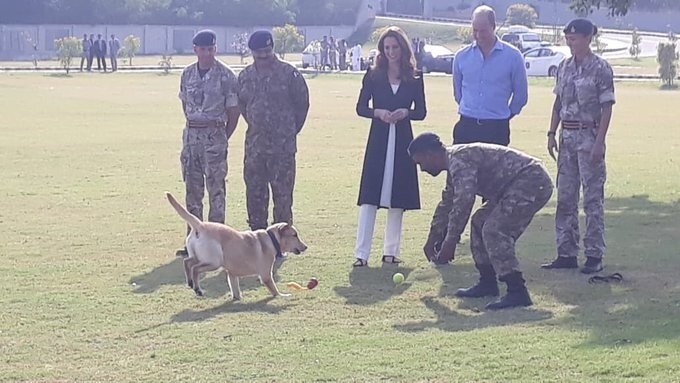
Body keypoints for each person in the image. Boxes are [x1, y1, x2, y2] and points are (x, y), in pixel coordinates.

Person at [408, 133, 553, 309]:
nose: (422, 169)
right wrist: (432, 239)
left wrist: (450, 241)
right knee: (479, 222)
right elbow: (447, 203)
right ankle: (487, 282)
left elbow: (464, 201)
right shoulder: (453, 163)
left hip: (531, 181)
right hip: (513, 186)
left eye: (420, 163)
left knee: (494, 229)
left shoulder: (459, 160)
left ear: (430, 154)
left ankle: (517, 291)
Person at [542, 19, 615, 275]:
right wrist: (551, 132)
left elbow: (607, 107)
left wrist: (599, 142)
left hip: (589, 137)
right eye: (568, 39)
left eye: (574, 39)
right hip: (567, 138)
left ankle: (594, 254)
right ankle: (566, 252)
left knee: (592, 199)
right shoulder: (563, 67)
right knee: (565, 197)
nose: (570, 43)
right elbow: (558, 102)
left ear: (587, 39)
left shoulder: (600, 69)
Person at [352, 26, 426, 267]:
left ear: (402, 48)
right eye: (387, 48)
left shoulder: (415, 76)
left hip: (404, 139)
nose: (391, 52)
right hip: (379, 139)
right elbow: (361, 107)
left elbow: (421, 112)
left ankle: (390, 252)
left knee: (398, 197)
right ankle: (361, 254)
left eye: (395, 47)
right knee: (370, 197)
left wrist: (406, 112)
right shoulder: (373, 75)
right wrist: (378, 113)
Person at [237, 30, 310, 245]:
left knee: (283, 197)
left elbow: (302, 106)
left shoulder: (289, 74)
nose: (264, 57)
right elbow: (243, 107)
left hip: (283, 148)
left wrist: (288, 131)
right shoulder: (245, 77)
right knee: (255, 195)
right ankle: (257, 241)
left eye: (268, 52)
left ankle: (282, 242)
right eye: (259, 53)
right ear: (252, 53)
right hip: (255, 147)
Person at [175, 29, 241, 257]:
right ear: (195, 50)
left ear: (215, 49)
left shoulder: (226, 76)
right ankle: (193, 242)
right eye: (202, 49)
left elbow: (234, 112)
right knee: (192, 193)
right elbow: (185, 106)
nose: (206, 54)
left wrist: (222, 137)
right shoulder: (187, 74)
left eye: (210, 49)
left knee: (216, 192)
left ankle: (216, 243)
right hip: (192, 138)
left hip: (215, 137)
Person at [451, 5, 528, 146]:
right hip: (466, 126)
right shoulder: (461, 57)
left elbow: (521, 95)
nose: (479, 35)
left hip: (496, 128)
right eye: (475, 30)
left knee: (495, 169)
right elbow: (458, 93)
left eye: (483, 31)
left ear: (493, 26)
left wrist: (504, 115)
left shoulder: (513, 56)